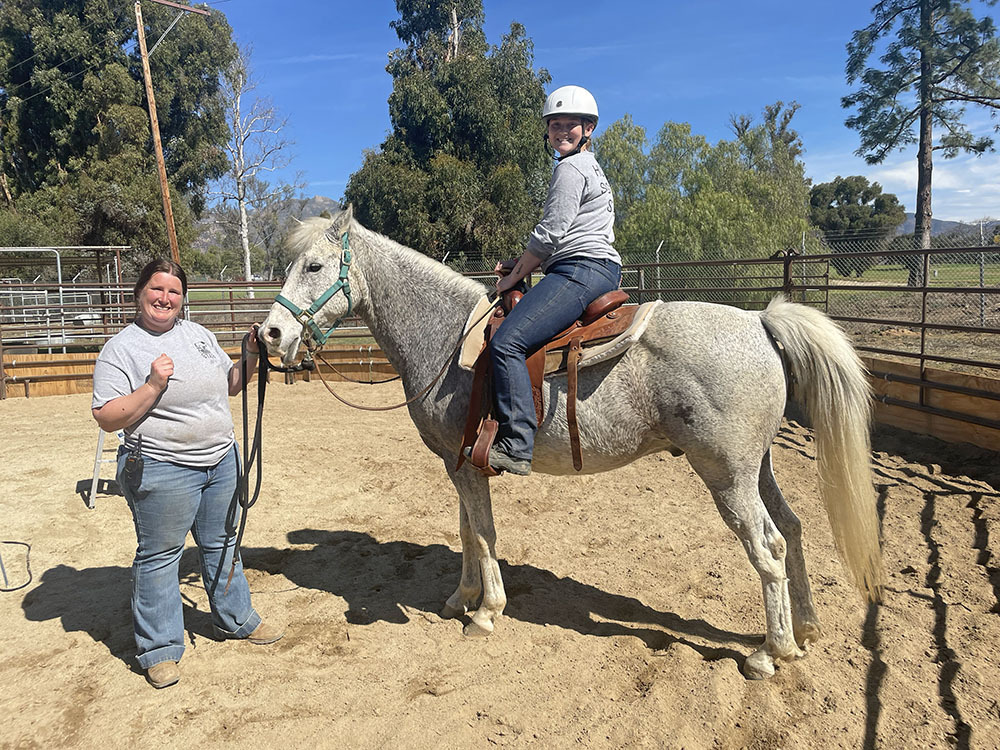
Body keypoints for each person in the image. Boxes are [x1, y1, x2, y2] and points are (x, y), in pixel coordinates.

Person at [91, 259, 282, 689]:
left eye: (174, 292)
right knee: (160, 555)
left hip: (220, 461)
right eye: (157, 289)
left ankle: (235, 620)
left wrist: (250, 355)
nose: (165, 298)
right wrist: (152, 386)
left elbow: (232, 383)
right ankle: (159, 650)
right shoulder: (122, 348)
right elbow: (106, 416)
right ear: (140, 292)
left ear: (183, 299)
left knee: (222, 541)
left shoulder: (199, 336)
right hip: (162, 466)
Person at [476, 84, 622, 476]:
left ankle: (517, 445)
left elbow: (550, 234)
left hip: (579, 271)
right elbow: (561, 237)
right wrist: (520, 262)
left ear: (588, 129)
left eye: (570, 125)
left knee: (507, 343)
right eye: (554, 124)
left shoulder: (570, 168)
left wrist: (513, 279)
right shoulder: (592, 168)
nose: (561, 131)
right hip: (591, 266)